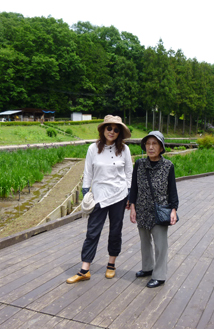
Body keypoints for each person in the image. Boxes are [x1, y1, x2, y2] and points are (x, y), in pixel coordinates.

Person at [66, 115, 132, 284]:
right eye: (109, 128)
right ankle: (84, 270)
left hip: (119, 195)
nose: (112, 132)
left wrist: (130, 195)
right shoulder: (93, 148)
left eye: (116, 129)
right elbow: (88, 172)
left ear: (120, 133)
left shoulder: (124, 150)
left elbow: (129, 174)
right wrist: (86, 192)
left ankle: (111, 264)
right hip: (99, 195)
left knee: (115, 231)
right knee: (93, 231)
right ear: (103, 129)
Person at [129, 131, 178, 288]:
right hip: (142, 209)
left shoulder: (168, 166)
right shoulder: (139, 164)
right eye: (148, 144)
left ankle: (160, 275)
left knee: (160, 245)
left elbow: (172, 191)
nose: (150, 147)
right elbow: (134, 188)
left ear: (161, 147)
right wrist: (132, 207)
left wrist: (173, 209)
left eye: (154, 144)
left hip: (159, 210)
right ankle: (147, 268)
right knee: (145, 242)